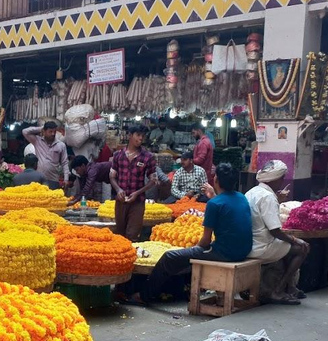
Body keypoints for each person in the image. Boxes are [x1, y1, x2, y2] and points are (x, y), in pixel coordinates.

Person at [131, 163, 252, 304]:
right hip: (244, 250)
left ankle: (144, 295)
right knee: (186, 256)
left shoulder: (214, 204)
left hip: (226, 253)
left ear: (216, 180)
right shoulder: (241, 198)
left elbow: (205, 241)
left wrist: (192, 251)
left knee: (170, 257)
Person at [241, 160, 310, 304]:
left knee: (287, 245)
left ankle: (290, 287)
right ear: (276, 179)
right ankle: (278, 291)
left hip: (249, 243)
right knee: (302, 248)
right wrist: (295, 240)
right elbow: (275, 231)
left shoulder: (251, 192)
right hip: (261, 247)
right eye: (282, 178)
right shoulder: (268, 197)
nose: (283, 181)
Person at [110, 125, 156, 241]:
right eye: (138, 135)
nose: (141, 138)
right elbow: (112, 176)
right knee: (119, 235)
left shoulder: (148, 157)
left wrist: (137, 193)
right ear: (130, 136)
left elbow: (153, 180)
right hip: (121, 201)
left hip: (137, 202)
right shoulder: (118, 156)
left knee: (132, 235)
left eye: (143, 136)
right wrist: (118, 190)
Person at [22, 121, 69, 189]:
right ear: (44, 131)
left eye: (54, 132)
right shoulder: (37, 141)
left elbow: (65, 163)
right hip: (38, 179)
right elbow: (25, 131)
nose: (53, 134)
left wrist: (66, 179)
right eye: (50, 131)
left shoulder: (61, 145)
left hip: (53, 179)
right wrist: (40, 128)